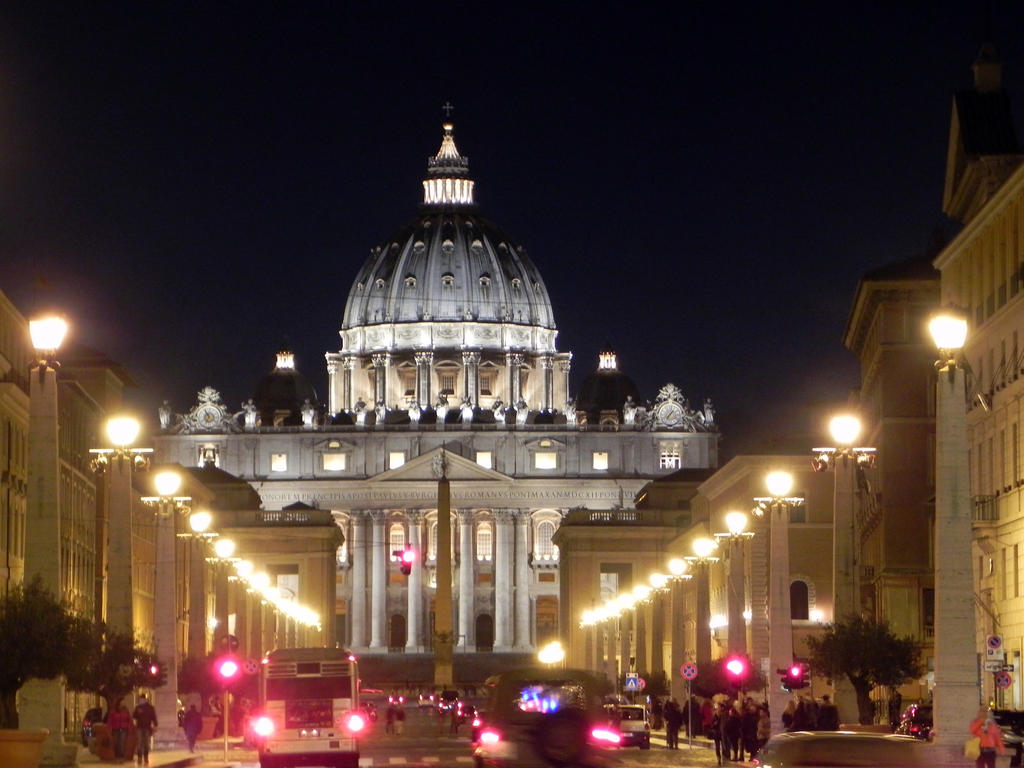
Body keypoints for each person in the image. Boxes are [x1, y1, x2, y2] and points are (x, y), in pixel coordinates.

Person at [132, 694, 158, 765]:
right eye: (140, 700)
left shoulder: (150, 708)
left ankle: (145, 757)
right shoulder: (137, 707)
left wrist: (155, 725)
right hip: (139, 727)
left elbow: (154, 717)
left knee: (146, 743)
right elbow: (134, 716)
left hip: (147, 728)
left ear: (145, 699)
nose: (141, 701)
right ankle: (140, 758)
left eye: (142, 699)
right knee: (139, 743)